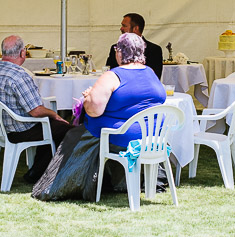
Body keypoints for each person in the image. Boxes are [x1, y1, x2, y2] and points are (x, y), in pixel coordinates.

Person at [34, 32, 166, 201]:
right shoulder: (150, 72)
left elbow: (93, 111)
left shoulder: (113, 76)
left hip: (119, 137)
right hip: (150, 137)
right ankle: (121, 182)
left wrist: (89, 97)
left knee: (73, 135)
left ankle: (62, 185)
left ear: (120, 52)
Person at [0, 35, 74, 182]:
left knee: (53, 128)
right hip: (21, 128)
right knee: (67, 129)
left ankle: (37, 170)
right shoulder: (19, 75)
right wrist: (53, 114)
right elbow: (36, 111)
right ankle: (40, 174)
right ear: (22, 53)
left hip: (3, 128)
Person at [105, 13, 164, 78]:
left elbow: (155, 76)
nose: (121, 28)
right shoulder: (115, 48)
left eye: (124, 26)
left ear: (135, 28)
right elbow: (109, 71)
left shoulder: (154, 50)